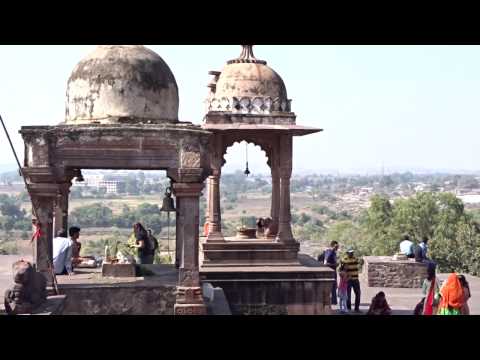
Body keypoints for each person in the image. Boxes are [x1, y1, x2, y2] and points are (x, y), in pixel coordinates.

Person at [341, 248, 361, 313]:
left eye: (352, 252)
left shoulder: (356, 259)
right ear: (347, 253)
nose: (351, 253)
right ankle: (348, 307)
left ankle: (356, 308)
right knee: (348, 295)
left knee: (358, 293)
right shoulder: (344, 260)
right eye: (350, 252)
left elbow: (361, 262)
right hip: (348, 280)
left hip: (355, 279)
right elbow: (341, 270)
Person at [324, 241, 339, 305]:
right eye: (337, 246)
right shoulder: (329, 252)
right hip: (330, 272)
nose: (338, 247)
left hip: (333, 272)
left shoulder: (333, 252)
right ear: (333, 245)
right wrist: (334, 265)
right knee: (330, 286)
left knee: (334, 286)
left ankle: (334, 301)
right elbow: (325, 263)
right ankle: (329, 301)